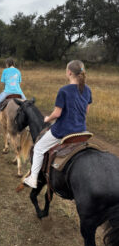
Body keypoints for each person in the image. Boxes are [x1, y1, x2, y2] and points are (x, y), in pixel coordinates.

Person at [23, 60, 92, 189]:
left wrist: (48, 118)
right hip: (81, 131)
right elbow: (86, 110)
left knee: (38, 148)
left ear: (69, 72)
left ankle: (33, 178)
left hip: (63, 131)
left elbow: (57, 114)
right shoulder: (87, 90)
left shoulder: (64, 90)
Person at [0, 58, 27, 124]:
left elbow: (3, 83)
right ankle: (28, 121)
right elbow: (19, 83)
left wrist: (5, 89)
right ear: (13, 63)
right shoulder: (18, 71)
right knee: (27, 104)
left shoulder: (5, 71)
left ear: (7, 64)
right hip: (19, 92)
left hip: (7, 92)